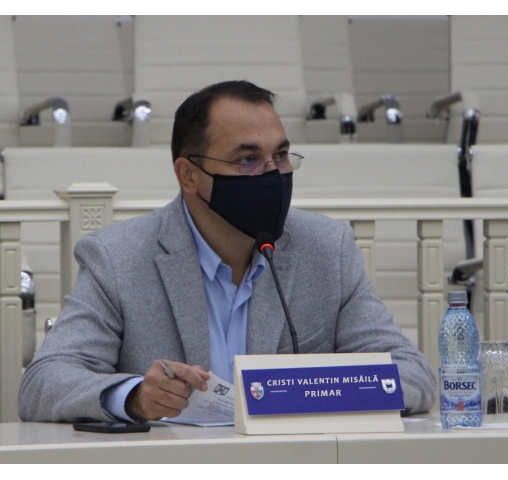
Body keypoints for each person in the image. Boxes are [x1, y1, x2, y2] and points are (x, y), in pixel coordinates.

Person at [19, 80, 436, 423]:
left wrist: (317, 392)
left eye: (281, 156)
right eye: (248, 159)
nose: (272, 174)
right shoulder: (118, 258)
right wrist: (134, 397)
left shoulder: (326, 249)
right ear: (189, 175)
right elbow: (43, 383)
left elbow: (412, 375)